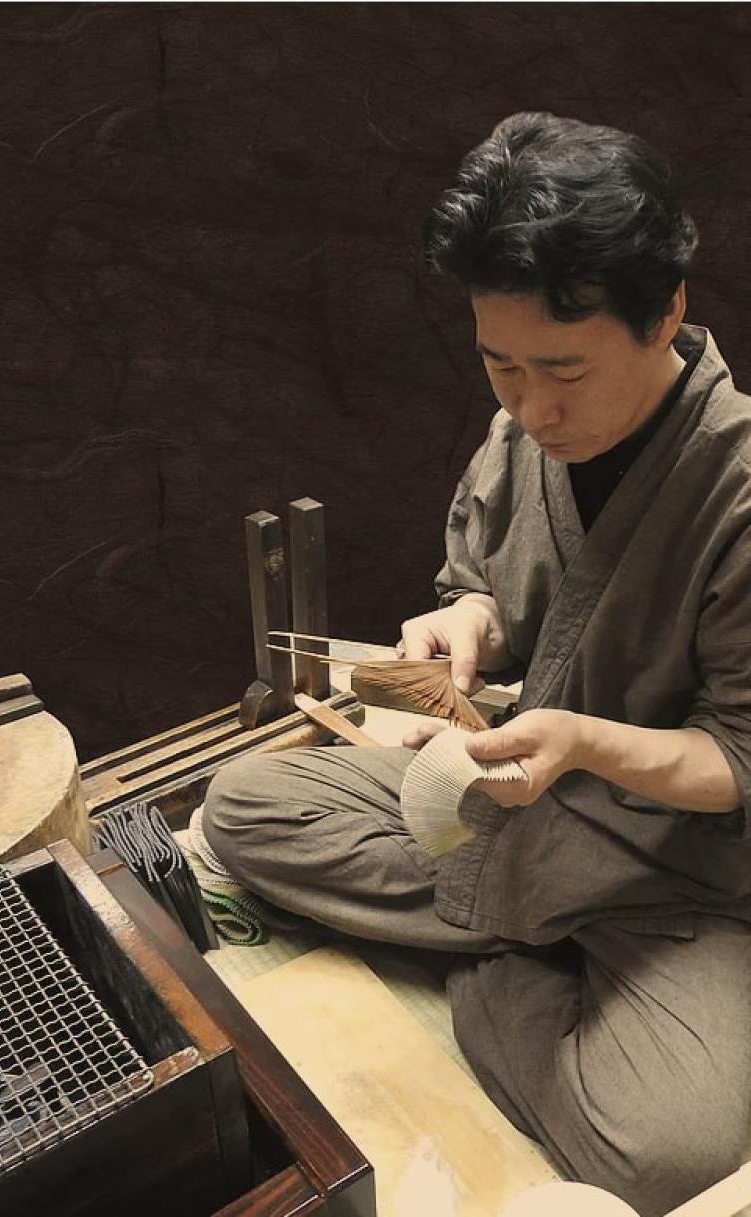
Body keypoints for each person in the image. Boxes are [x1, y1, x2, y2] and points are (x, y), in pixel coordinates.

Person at [202, 113, 751, 1215]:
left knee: (667, 1153)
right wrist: (466, 623)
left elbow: (736, 760)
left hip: (678, 869)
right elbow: (489, 586)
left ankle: (487, 954)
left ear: (665, 313)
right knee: (245, 806)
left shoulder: (736, 493)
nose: (531, 407)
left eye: (563, 369)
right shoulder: (524, 433)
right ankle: (525, 932)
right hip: (510, 804)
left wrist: (582, 743)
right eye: (500, 365)